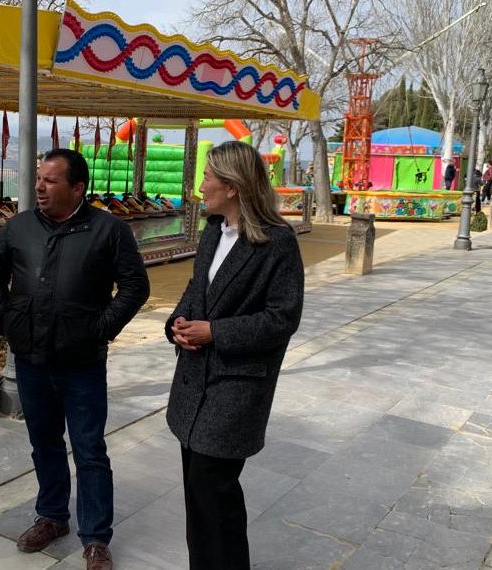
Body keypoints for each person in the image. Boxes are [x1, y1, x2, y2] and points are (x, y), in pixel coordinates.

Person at [0, 148, 150, 570]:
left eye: (50, 180)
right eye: (38, 178)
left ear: (77, 188)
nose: (39, 186)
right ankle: (52, 517)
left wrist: (99, 328)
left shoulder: (108, 230)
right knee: (44, 444)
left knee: (89, 449)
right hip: (32, 359)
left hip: (82, 364)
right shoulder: (19, 227)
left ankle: (96, 538)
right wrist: (7, 321)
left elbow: (134, 288)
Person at [165, 141, 304, 570]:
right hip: (194, 385)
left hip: (235, 389)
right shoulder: (212, 231)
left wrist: (216, 333)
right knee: (197, 497)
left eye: (207, 177)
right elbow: (196, 291)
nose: (200, 185)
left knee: (215, 496)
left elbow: (282, 318)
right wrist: (177, 325)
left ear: (231, 185)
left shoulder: (277, 243)